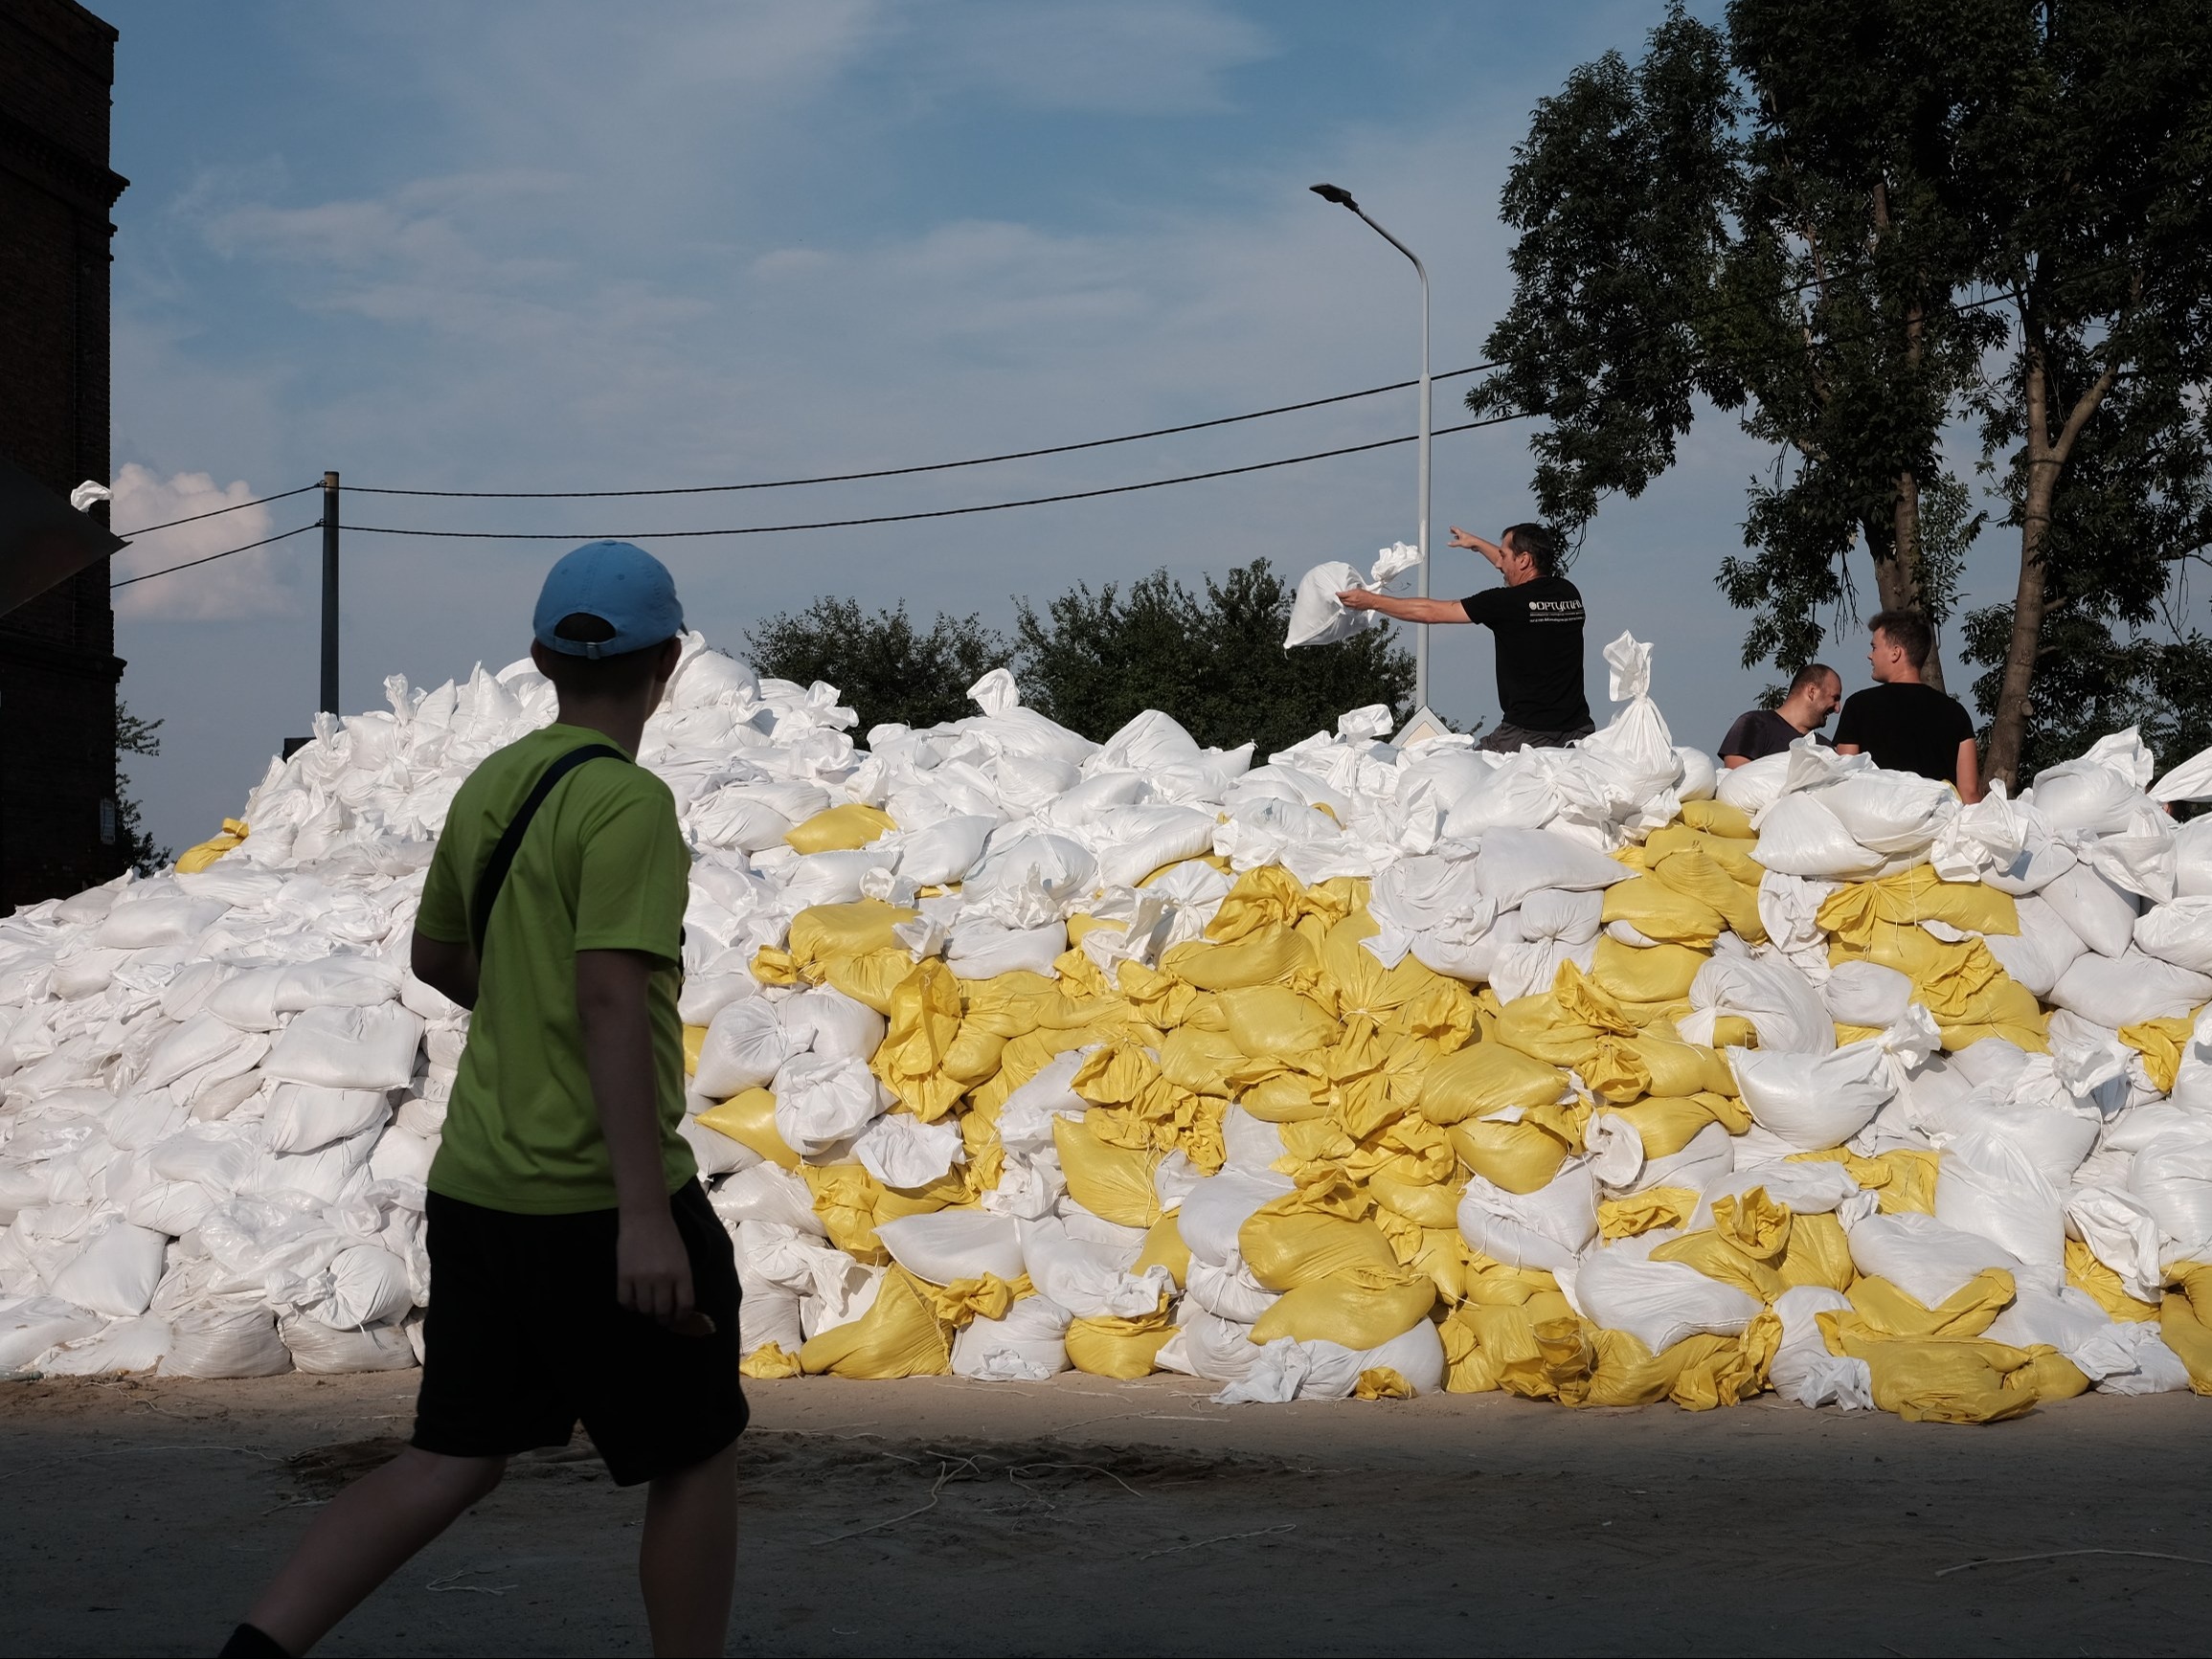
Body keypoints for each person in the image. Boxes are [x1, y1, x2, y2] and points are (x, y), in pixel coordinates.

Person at [221, 543, 744, 1659]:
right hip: (597, 1201)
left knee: (451, 1457)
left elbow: (437, 953)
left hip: (478, 1194)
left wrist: (520, 1003)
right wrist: (648, 1217)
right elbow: (612, 998)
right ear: (668, 663)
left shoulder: (497, 783)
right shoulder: (628, 804)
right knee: (695, 1451)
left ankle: (255, 1650)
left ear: (541, 660)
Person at [1339, 521, 1591, 751]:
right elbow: (1522, 581)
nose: (1498, 563)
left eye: (1503, 555)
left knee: (1471, 774)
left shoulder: (1504, 603)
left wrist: (1371, 601)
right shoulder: (1569, 593)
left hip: (1525, 734)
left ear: (1524, 559)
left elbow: (1432, 612)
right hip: (1578, 731)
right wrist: (1479, 545)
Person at [1832, 608, 1983, 801]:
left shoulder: (1858, 706)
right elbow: (1969, 793)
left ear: (1896, 653)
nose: (1870, 656)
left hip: (1875, 826)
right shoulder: (1956, 713)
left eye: (1874, 647)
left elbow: (1844, 780)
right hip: (1938, 827)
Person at [1718, 662, 1841, 767]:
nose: (1837, 708)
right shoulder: (1754, 726)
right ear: (1812, 691)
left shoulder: (1825, 749)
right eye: (1835, 698)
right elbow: (1737, 782)